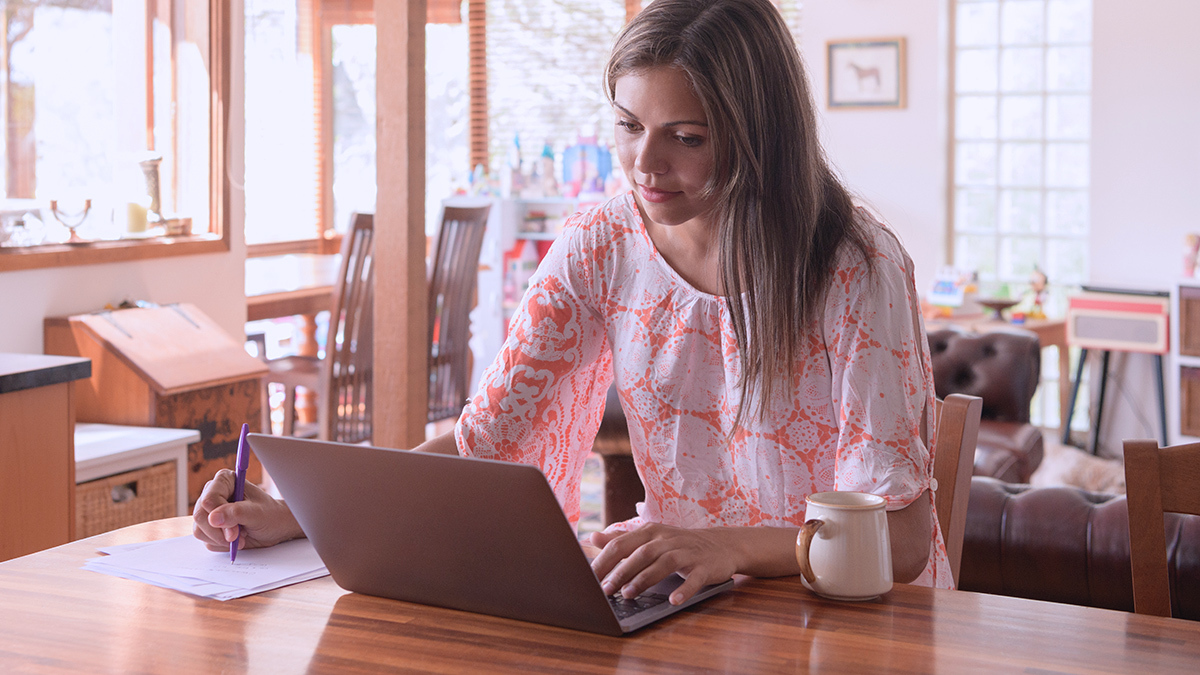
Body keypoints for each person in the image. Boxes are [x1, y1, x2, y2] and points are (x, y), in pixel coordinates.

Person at [195, 0, 952, 605]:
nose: (645, 165)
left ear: (761, 136)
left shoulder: (854, 266)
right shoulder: (604, 240)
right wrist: (299, 509)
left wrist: (724, 544)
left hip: (853, 619)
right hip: (687, 602)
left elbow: (901, 537)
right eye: (628, 127)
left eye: (685, 137)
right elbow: (486, 443)